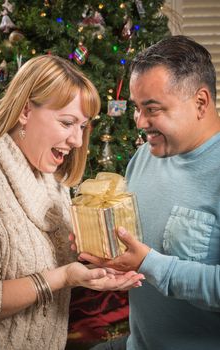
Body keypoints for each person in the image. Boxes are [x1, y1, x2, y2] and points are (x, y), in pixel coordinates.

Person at [0, 55, 144, 350]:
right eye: (67, 122)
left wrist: (100, 264)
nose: (76, 140)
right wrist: (64, 277)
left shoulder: (53, 178)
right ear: (25, 111)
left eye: (82, 126)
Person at [80, 35, 220, 350]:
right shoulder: (145, 156)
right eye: (136, 108)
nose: (140, 122)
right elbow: (132, 245)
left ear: (200, 102)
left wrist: (149, 264)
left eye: (152, 109)